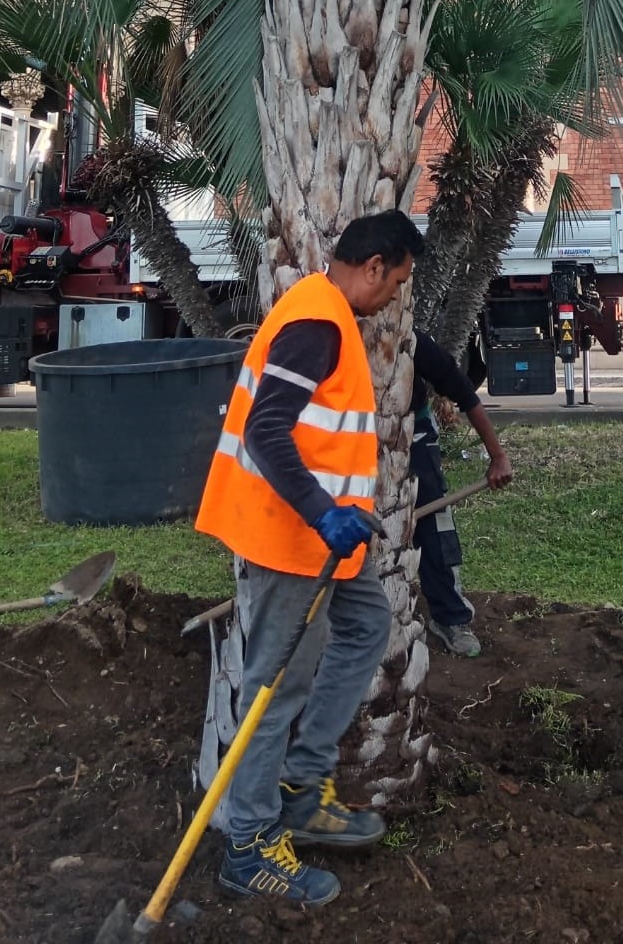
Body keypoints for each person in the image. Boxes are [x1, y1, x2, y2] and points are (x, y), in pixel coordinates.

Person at [196, 208, 425, 908]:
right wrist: (323, 512)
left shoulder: (328, 315)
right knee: (273, 689)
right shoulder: (317, 323)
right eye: (398, 282)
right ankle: (251, 844)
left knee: (364, 627)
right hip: (288, 541)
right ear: (374, 266)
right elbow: (267, 430)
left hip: (322, 541)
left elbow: (315, 435)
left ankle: (300, 785)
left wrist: (341, 508)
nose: (397, 298)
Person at [411, 331, 512, 658]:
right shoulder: (331, 335)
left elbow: (465, 394)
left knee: (436, 530)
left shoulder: (407, 339)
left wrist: (498, 456)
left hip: (413, 436)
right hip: (354, 444)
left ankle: (449, 619)